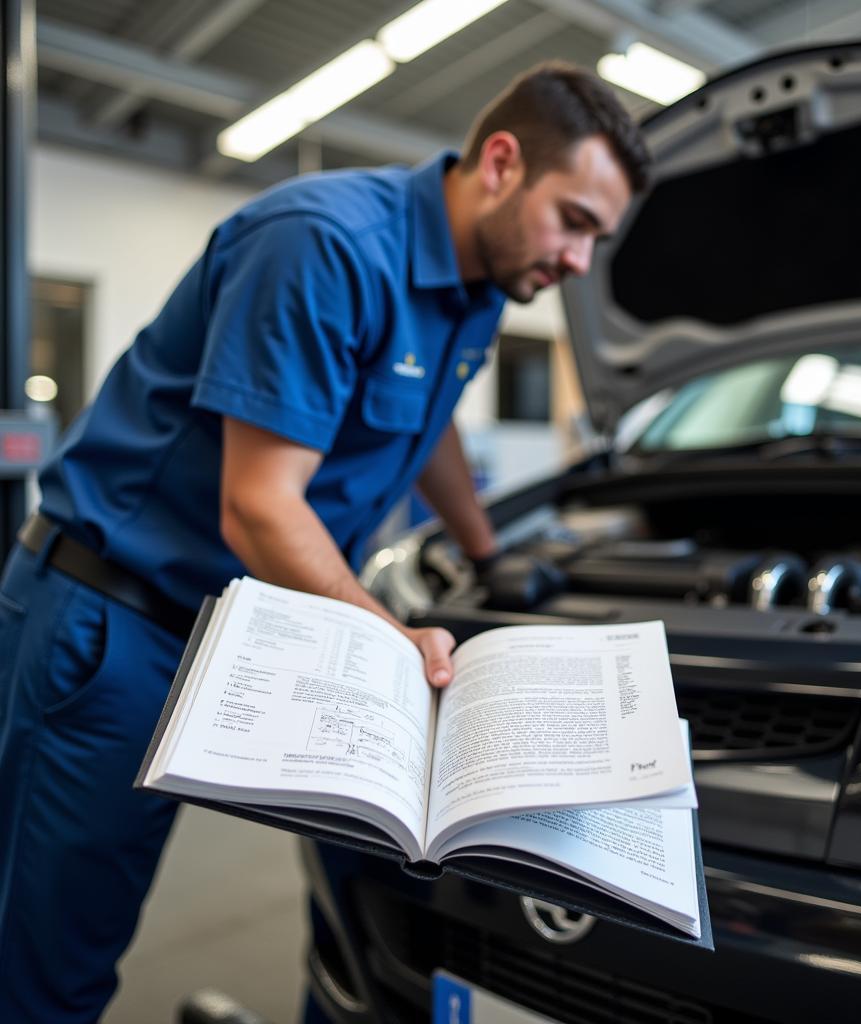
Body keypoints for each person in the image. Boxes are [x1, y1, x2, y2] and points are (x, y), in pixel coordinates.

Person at [0, 61, 649, 1022]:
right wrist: (397, 643)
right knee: (53, 957)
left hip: (236, 628)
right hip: (114, 622)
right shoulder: (325, 244)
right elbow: (260, 507)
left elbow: (429, 427)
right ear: (503, 163)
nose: (581, 263)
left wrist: (489, 556)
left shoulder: (478, 283)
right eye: (577, 221)